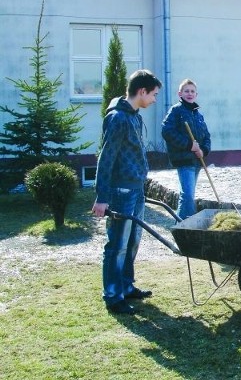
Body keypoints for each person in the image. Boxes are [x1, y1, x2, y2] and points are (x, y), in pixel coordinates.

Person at [92, 69, 163, 314]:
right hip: (121, 190)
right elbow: (106, 158)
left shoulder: (134, 115)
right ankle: (113, 295)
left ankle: (125, 285)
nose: (154, 99)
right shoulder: (118, 118)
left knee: (133, 241)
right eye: (153, 94)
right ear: (141, 91)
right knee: (117, 245)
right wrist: (102, 197)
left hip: (135, 188)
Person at [161, 79, 212, 220]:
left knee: (188, 194)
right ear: (180, 94)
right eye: (186, 91)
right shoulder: (176, 111)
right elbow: (167, 131)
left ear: (196, 94)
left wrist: (203, 150)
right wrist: (189, 145)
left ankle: (182, 226)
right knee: (187, 195)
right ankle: (184, 226)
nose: (189, 94)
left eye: (192, 91)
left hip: (197, 160)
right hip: (184, 159)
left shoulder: (198, 115)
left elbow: (207, 136)